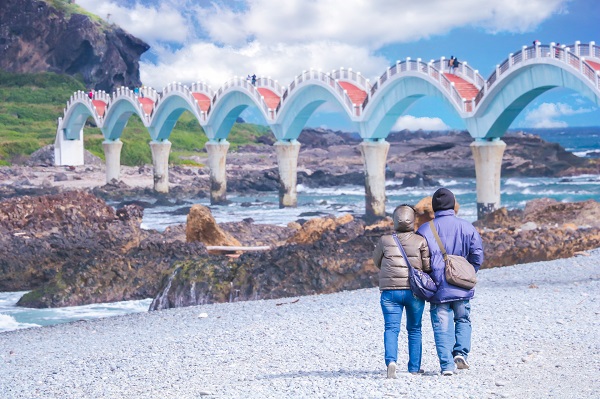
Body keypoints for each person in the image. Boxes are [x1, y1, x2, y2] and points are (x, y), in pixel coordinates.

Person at [417, 188, 483, 376]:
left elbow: (420, 259)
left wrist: (428, 276)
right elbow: (477, 254)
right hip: (461, 284)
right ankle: (461, 353)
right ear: (453, 205)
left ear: (434, 207)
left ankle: (446, 366)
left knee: (441, 324)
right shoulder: (467, 227)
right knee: (463, 318)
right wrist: (468, 271)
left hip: (438, 287)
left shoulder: (424, 229)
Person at [373, 204, 431, 379]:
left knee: (391, 328)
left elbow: (377, 262)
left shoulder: (385, 240)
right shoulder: (421, 241)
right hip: (414, 291)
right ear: (413, 221)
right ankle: (414, 367)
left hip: (390, 291)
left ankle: (391, 361)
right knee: (414, 329)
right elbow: (427, 267)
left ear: (394, 221)